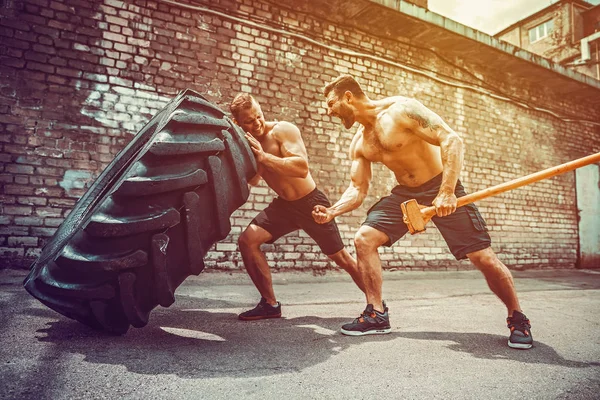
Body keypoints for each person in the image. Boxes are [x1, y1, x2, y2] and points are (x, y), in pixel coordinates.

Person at [312, 75, 532, 349]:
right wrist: (333, 211)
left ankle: (517, 317)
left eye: (331, 103)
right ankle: (376, 313)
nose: (328, 110)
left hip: (441, 185)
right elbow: (357, 189)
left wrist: (447, 191)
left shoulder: (401, 110)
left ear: (348, 97)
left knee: (482, 257)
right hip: (406, 193)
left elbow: (451, 140)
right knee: (364, 239)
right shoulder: (360, 142)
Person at [229, 92, 365, 321]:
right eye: (249, 121)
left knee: (342, 258)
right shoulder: (249, 142)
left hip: (311, 203)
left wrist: (264, 158)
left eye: (259, 116)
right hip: (284, 207)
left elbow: (301, 168)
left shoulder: (282, 130)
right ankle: (270, 305)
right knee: (247, 241)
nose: (257, 123)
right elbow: (253, 181)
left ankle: (377, 304)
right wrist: (255, 161)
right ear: (238, 123)